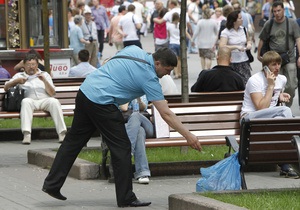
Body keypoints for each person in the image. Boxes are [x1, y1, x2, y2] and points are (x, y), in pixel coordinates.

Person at [42, 46, 201, 207]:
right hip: (103, 102)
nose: (168, 74)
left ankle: (52, 184)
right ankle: (126, 197)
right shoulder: (149, 78)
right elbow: (165, 114)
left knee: (73, 141)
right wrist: (188, 136)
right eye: (167, 70)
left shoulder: (134, 49)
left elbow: (113, 61)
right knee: (122, 147)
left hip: (86, 92)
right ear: (157, 63)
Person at [240, 51, 299, 179]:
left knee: (282, 123)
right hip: (250, 119)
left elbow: (271, 103)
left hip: (269, 118)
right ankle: (292, 159)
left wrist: (279, 97)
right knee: (286, 112)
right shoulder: (255, 80)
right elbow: (261, 107)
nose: (277, 67)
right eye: (273, 65)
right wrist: (270, 86)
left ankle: (285, 166)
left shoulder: (282, 79)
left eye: (279, 64)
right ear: (265, 66)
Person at [4, 54, 67, 145]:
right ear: (24, 66)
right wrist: (17, 81)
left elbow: (52, 93)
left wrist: (44, 81)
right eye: (28, 65)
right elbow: (6, 87)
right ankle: (27, 134)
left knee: (54, 101)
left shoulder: (45, 75)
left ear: (37, 65)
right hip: (30, 101)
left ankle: (62, 134)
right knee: (25, 101)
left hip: (45, 100)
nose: (31, 67)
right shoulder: (19, 75)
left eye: (33, 65)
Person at [257, 1, 300, 107]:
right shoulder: (269, 24)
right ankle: (275, 107)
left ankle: (287, 107)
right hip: (274, 59)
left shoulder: (292, 23)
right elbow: (262, 40)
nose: (277, 13)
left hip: (289, 58)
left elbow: (298, 39)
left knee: (291, 85)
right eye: (275, 11)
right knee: (274, 85)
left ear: (283, 10)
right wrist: (259, 54)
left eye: (279, 10)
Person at [119, 96, 153, 185]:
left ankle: (127, 151)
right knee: (139, 132)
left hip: (146, 125)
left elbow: (143, 108)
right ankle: (143, 173)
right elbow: (123, 108)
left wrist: (138, 99)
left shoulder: (141, 91)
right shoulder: (121, 92)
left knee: (135, 115)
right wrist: (130, 94)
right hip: (130, 127)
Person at [219, 10, 253, 85]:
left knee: (247, 83)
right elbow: (222, 46)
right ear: (234, 21)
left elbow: (248, 40)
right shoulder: (226, 32)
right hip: (232, 61)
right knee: (233, 84)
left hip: (244, 60)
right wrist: (235, 47)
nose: (242, 19)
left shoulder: (243, 29)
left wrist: (249, 44)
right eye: (240, 18)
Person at [168, 12, 192, 79]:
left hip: (172, 43)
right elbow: (186, 33)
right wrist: (191, 39)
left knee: (174, 59)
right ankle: (180, 72)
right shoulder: (181, 25)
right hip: (180, 43)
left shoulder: (169, 26)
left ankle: (176, 73)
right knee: (180, 59)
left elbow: (169, 35)